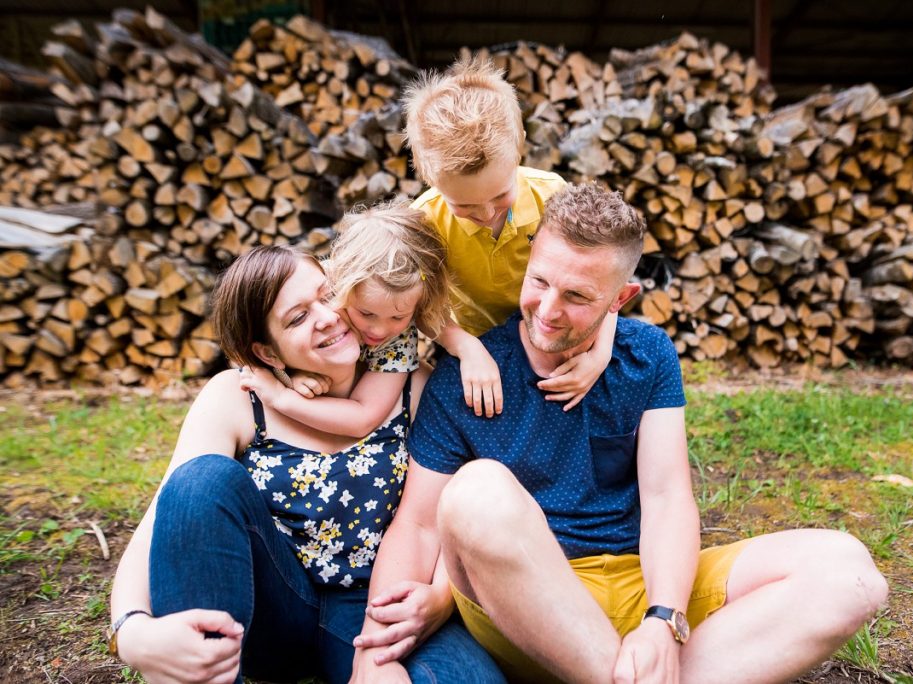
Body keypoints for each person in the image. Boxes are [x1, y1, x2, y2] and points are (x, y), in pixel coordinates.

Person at [355, 184, 890, 683]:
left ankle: (627, 670)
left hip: (638, 586)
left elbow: (667, 498)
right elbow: (420, 525)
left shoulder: (647, 355)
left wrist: (663, 619)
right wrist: (371, 657)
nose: (547, 310)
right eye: (539, 281)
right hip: (526, 606)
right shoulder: (467, 372)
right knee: (476, 490)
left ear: (620, 298)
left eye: (577, 296)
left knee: (848, 572)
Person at [107, 245, 505, 684]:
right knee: (201, 479)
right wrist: (130, 629)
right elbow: (168, 516)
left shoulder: (415, 385)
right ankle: (200, 671)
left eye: (328, 293)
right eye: (297, 318)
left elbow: (450, 509)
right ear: (269, 353)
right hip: (272, 608)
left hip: (378, 604)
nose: (327, 316)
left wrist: (441, 597)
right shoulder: (239, 396)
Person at [404, 55, 616, 417]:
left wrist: (600, 354)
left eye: (501, 196)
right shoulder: (424, 220)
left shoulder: (553, 195)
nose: (487, 214)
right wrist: (464, 347)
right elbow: (420, 304)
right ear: (431, 180)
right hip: (477, 341)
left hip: (554, 330)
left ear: (519, 148)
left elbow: (602, 279)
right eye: (466, 206)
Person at [238, 203, 450, 440]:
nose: (379, 330)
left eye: (398, 317)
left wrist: (282, 396)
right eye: (366, 313)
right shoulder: (323, 282)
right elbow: (250, 332)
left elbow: (363, 418)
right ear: (342, 283)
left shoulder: (396, 339)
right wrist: (288, 376)